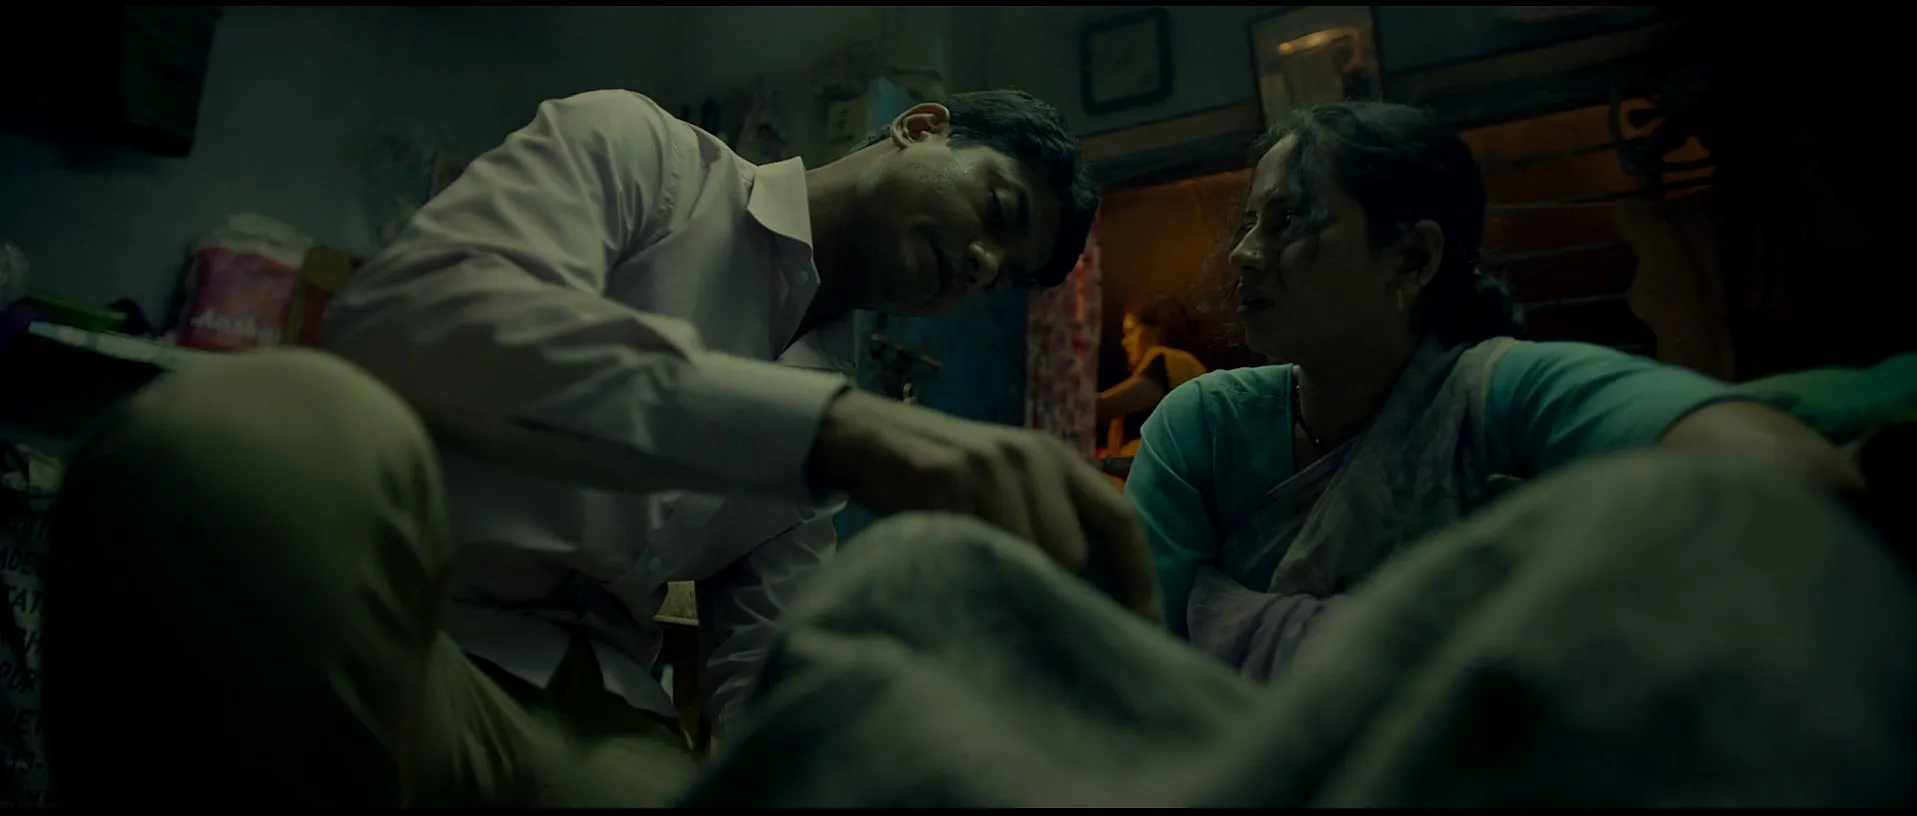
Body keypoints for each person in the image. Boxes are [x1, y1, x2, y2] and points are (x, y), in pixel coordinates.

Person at [668, 103, 1914, 807]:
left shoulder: (1501, 390)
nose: (1245, 256)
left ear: (1411, 261)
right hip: (1205, 766)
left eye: (1289, 221)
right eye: (1248, 223)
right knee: (920, 580)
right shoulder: (1205, 422)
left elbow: (1755, 489)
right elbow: (1131, 666)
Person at [41, 87, 1156, 807]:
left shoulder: (830, 399)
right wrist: (823, 429)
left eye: (1001, 276)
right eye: (995, 211)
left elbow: (759, 660)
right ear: (919, 126)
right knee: (238, 437)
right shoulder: (644, 158)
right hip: (424, 635)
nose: (980, 264)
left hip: (613, 723)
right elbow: (417, 316)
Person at [1096, 296, 1207, 461]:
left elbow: (1105, 407)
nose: (1124, 342)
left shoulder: (1167, 361)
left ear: (1157, 330)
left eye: (1131, 331)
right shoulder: (1183, 366)